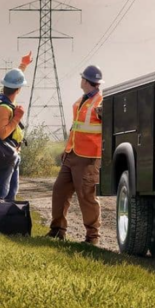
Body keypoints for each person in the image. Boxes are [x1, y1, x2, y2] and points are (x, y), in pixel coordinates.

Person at [47, 65, 104, 244]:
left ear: (85, 81)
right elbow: (75, 128)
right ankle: (57, 231)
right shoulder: (81, 101)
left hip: (88, 158)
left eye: (82, 78)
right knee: (59, 190)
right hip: (72, 154)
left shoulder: (101, 103)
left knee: (86, 196)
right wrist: (67, 148)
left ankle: (92, 237)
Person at [0, 52, 32, 203]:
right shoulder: (4, 107)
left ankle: (5, 221)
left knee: (11, 194)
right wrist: (17, 118)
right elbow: (2, 134)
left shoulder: (1, 97)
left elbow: (14, 80)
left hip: (12, 153)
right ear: (19, 89)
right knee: (1, 195)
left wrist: (24, 65)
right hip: (6, 154)